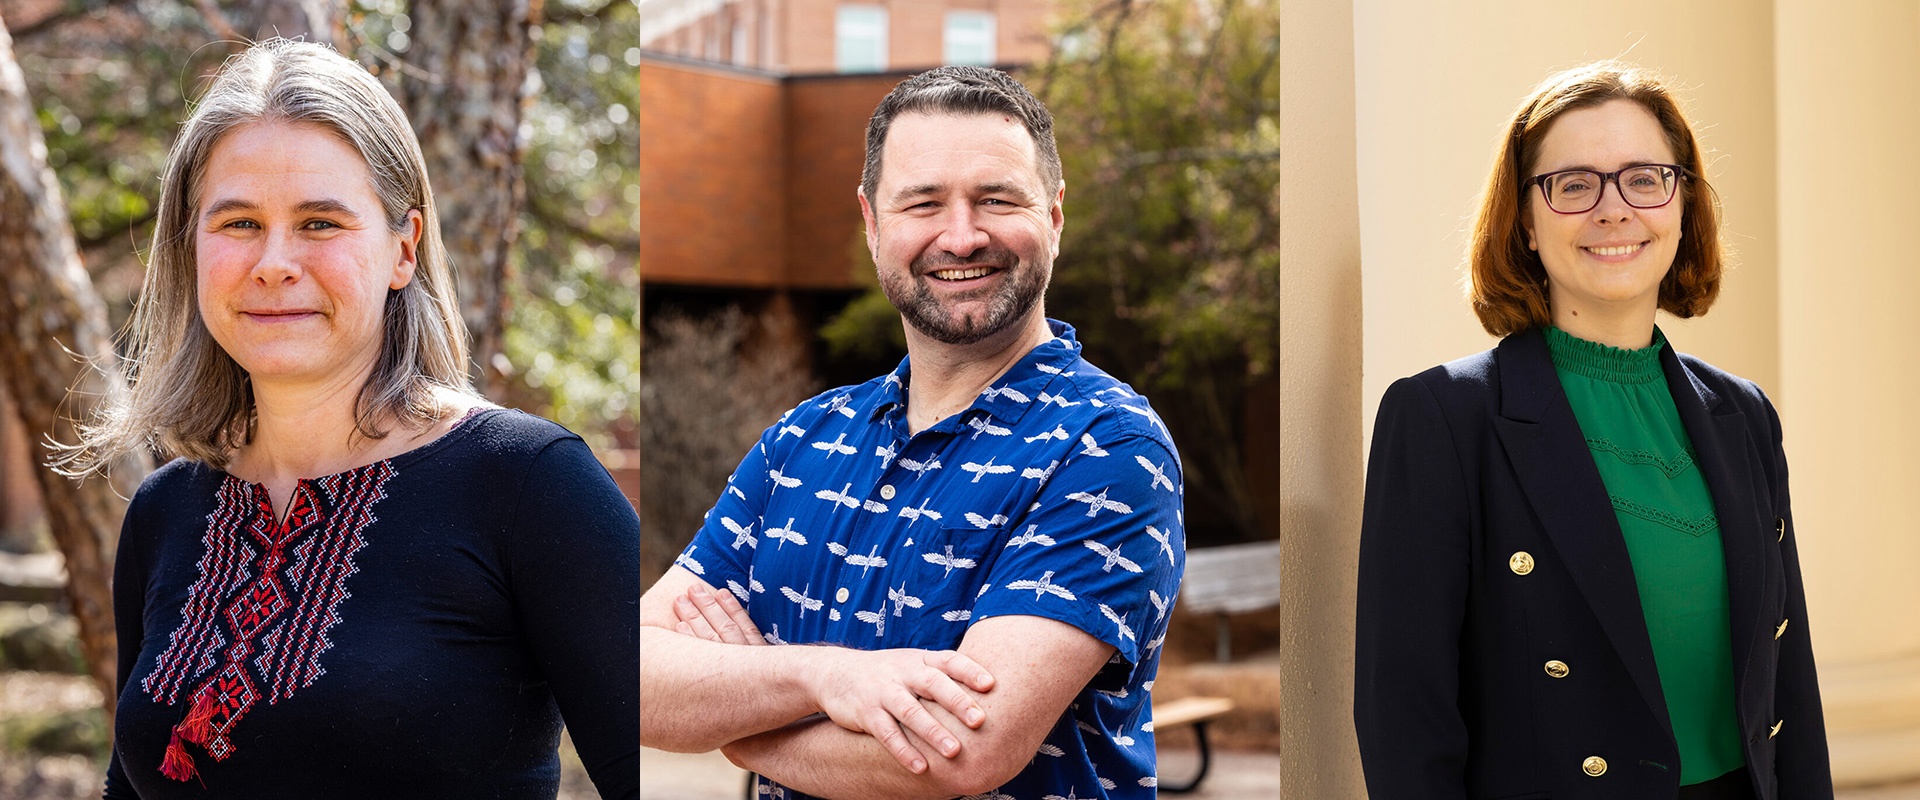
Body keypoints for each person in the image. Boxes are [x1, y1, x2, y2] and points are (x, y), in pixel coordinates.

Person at [49, 39, 637, 799]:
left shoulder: (530, 485)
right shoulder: (165, 511)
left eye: (320, 223)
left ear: (403, 248)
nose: (274, 262)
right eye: (238, 224)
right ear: (190, 247)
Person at [639, 65, 1186, 798]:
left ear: (1053, 217)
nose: (961, 237)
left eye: (996, 199)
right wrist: (823, 676)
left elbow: (958, 750)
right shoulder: (805, 438)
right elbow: (633, 676)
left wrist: (734, 727)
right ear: (873, 224)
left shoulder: (1108, 448)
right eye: (923, 203)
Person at [1353, 61, 1831, 800]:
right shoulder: (1442, 419)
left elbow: (1788, 689)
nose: (1614, 209)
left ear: (1682, 206)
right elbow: (1405, 718)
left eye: (1645, 178)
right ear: (1526, 222)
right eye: (1574, 185)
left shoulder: (1745, 415)